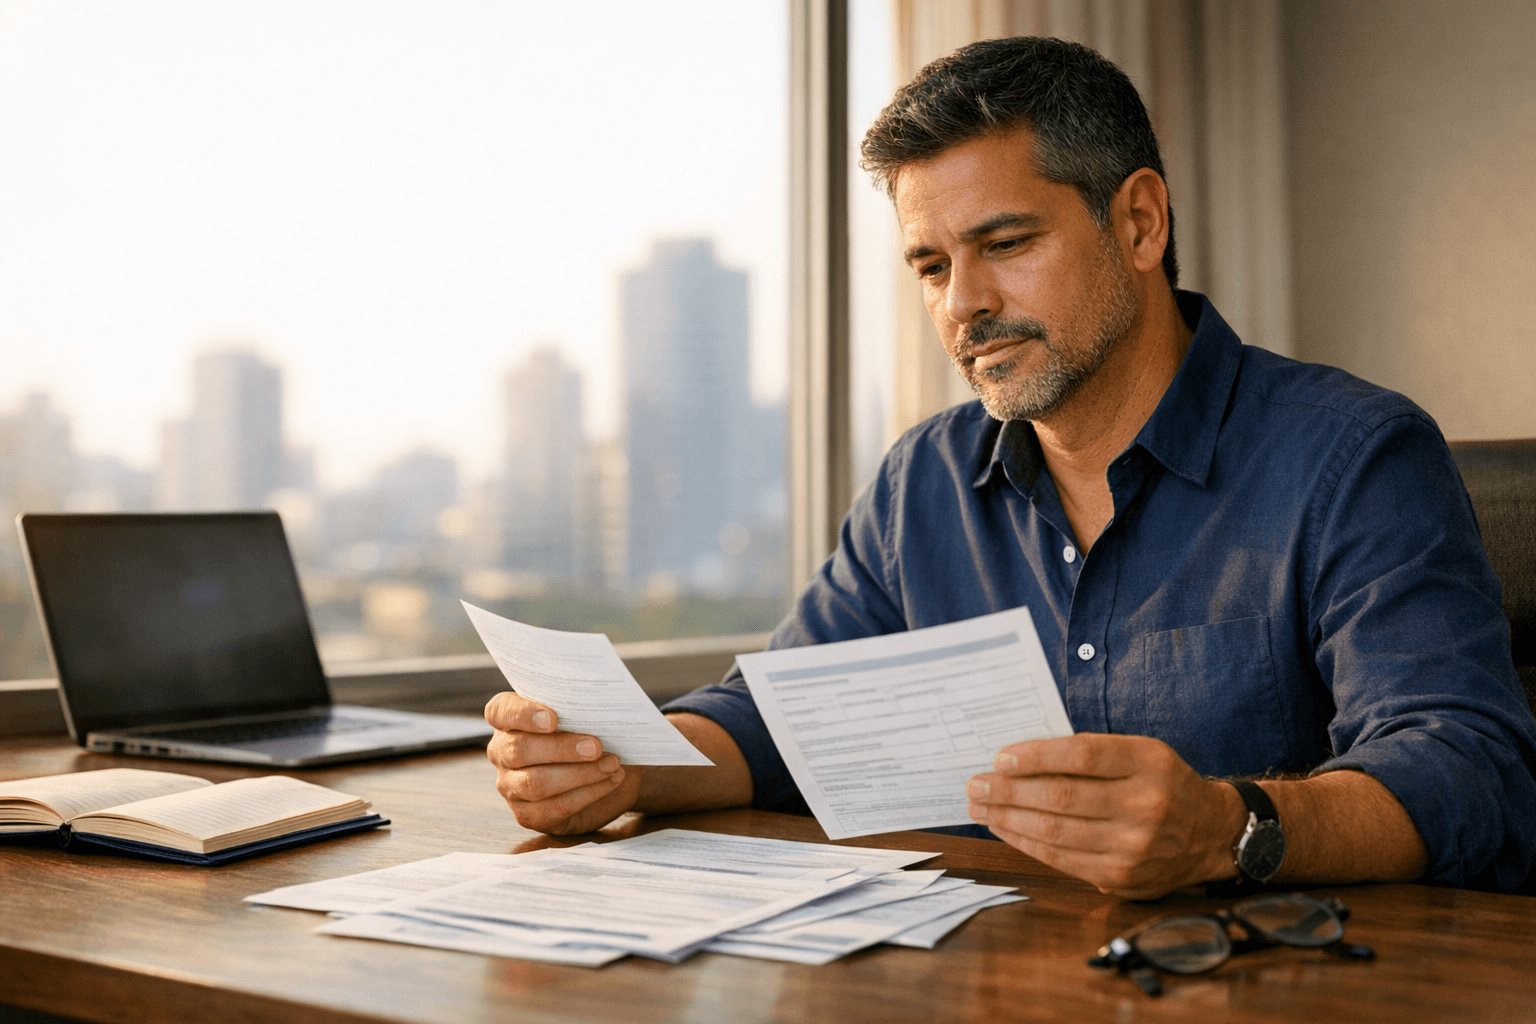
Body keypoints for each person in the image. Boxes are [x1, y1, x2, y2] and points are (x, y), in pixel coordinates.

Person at [484, 36, 1536, 899]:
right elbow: (776, 714)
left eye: (1005, 243)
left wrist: (1232, 825)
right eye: (932, 265)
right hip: (982, 977)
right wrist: (630, 763)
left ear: (1138, 221)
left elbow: (1469, 768)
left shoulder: (1351, 455)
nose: (961, 304)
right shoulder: (922, 482)